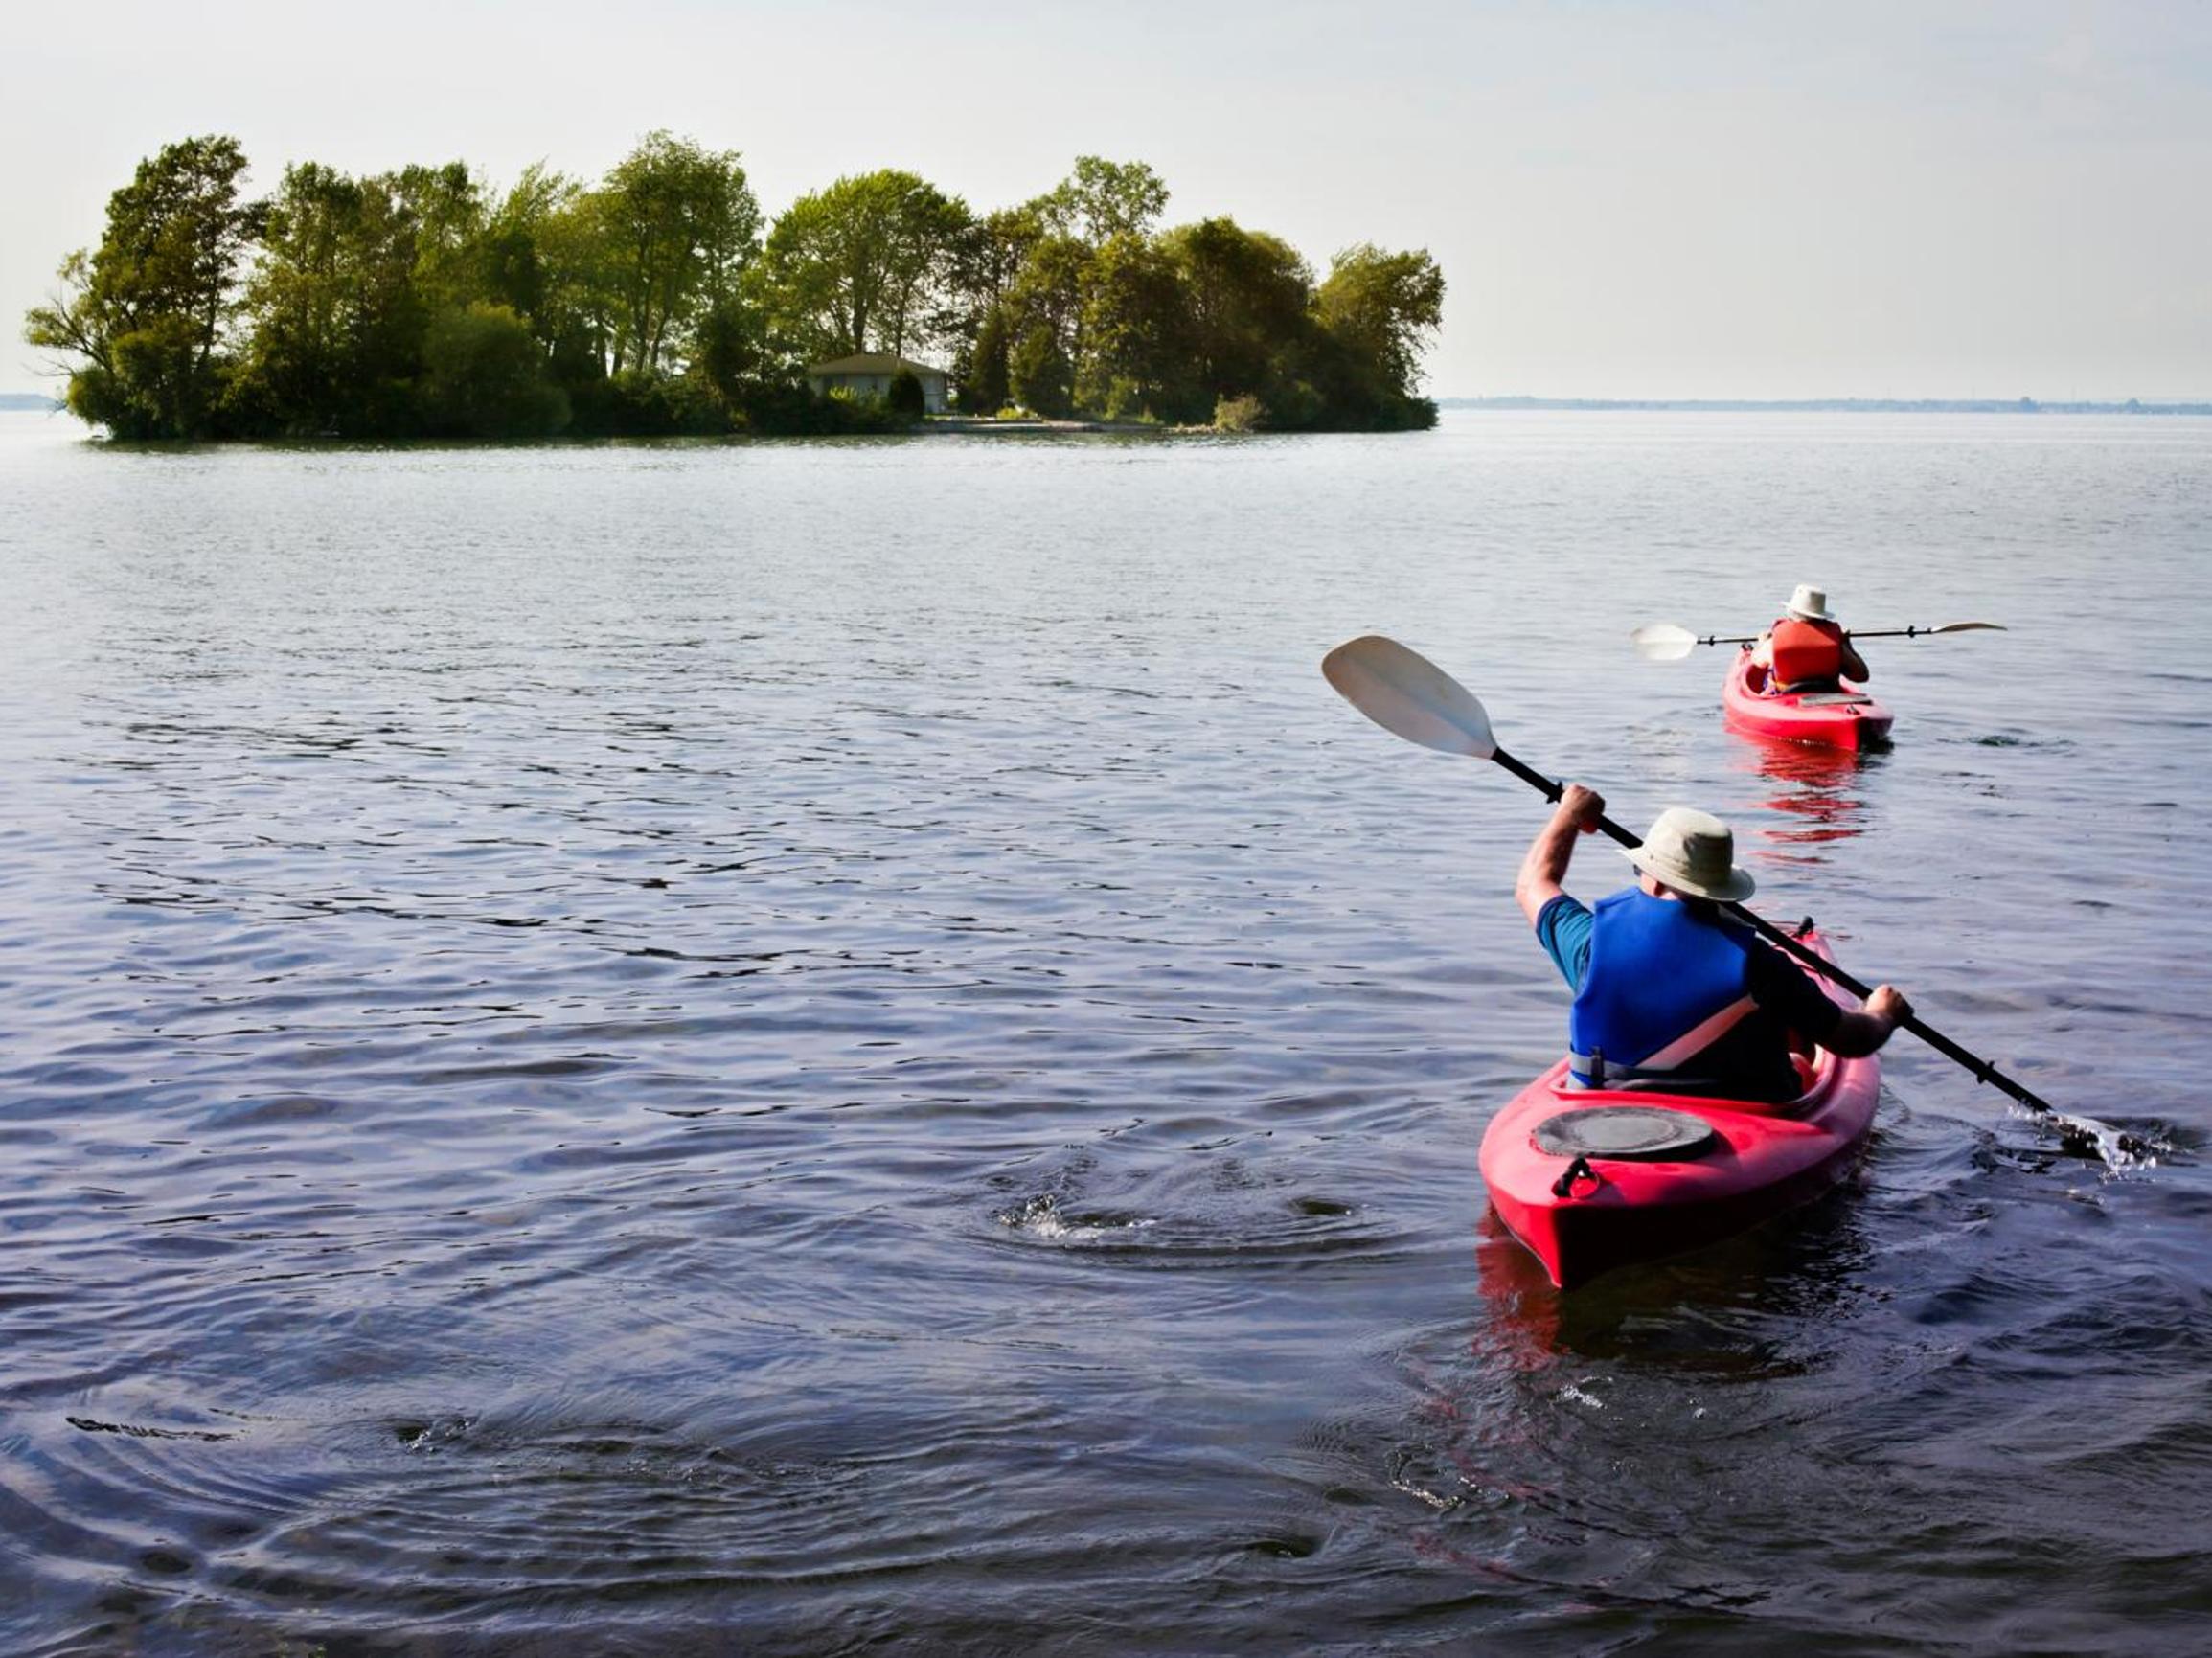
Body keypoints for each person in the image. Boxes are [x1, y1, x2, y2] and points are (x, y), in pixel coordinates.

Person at [1514, 784, 1911, 1102]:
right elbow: (1849, 1040)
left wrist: (1568, 815)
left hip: (1602, 1110)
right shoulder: (1761, 965)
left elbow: (1533, 883)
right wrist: (1882, 1014)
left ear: (1651, 878)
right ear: (1723, 891)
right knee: (1799, 1061)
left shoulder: (1590, 942)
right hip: (1737, 1117)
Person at [1749, 583, 1870, 693]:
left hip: (1785, 696)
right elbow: (1862, 676)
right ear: (1822, 617)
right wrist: (1846, 644)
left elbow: (1757, 661)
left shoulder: (1774, 642)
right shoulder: (1834, 642)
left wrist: (1762, 642)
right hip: (1826, 696)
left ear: (1792, 612)